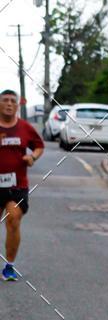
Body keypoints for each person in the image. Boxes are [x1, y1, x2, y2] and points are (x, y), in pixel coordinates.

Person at [0, 89, 44, 281]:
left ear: (17, 105)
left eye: (12, 101)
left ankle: (9, 266)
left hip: (16, 185)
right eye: (5, 100)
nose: (9, 104)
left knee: (14, 219)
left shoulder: (25, 128)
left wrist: (32, 157)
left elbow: (39, 146)